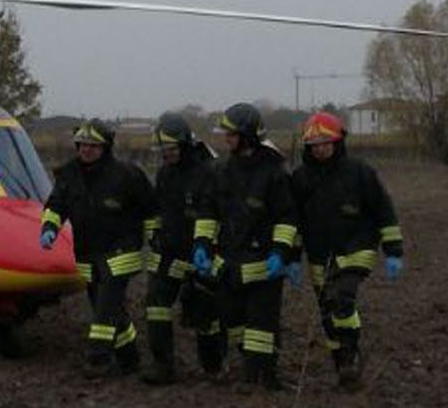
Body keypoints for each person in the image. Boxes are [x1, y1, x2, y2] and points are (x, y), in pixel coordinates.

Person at [289, 111, 404, 392]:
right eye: (314, 144)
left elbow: (384, 211)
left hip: (357, 247)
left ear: (338, 141)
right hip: (319, 255)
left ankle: (351, 353)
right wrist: (292, 257)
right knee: (327, 311)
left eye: (325, 142)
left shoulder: (360, 173)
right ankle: (342, 363)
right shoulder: (300, 179)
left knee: (342, 297)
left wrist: (393, 250)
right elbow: (292, 221)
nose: (320, 148)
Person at [40, 119, 156, 377]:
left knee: (106, 306)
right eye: (82, 145)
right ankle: (129, 359)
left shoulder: (128, 175)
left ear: (105, 147)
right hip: (87, 251)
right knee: (108, 308)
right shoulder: (68, 174)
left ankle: (97, 359)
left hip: (121, 251)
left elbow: (151, 210)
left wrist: (153, 239)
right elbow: (56, 205)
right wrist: (49, 227)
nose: (86, 150)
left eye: (93, 145)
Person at [196, 103, 298, 392]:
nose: (226, 139)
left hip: (265, 263)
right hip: (230, 261)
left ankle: (255, 377)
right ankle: (261, 371)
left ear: (248, 136)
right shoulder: (220, 170)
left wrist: (280, 252)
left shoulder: (274, 172)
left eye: (231, 134)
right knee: (233, 317)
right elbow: (209, 211)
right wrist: (202, 244)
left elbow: (287, 216)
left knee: (261, 321)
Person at [140, 112, 225, 385]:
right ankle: (163, 366)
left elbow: (217, 213)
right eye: (162, 151)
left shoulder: (208, 172)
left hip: (204, 254)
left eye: (171, 149)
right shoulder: (165, 174)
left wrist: (210, 248)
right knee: (156, 303)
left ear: (185, 145)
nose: (166, 155)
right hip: (170, 252)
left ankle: (212, 367)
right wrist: (155, 233)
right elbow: (157, 208)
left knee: (204, 316)